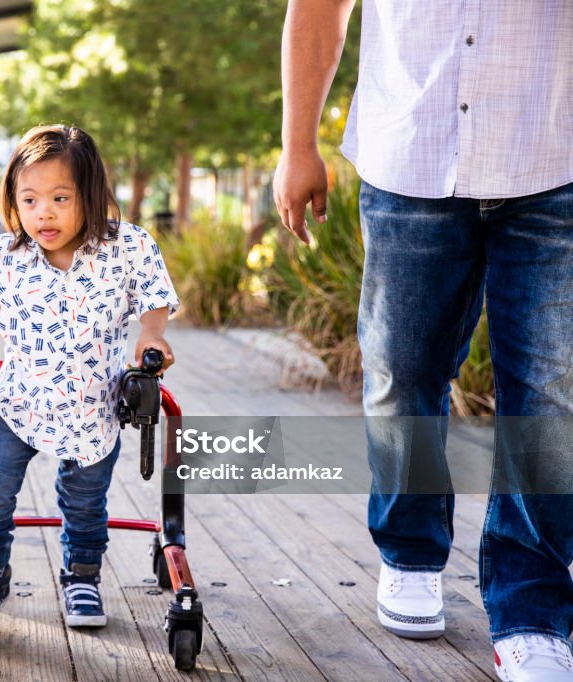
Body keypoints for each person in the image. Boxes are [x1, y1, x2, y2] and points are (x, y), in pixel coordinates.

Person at [273, 2, 573, 680]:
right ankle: (409, 550)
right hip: (409, 153)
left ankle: (531, 608)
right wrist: (298, 145)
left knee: (550, 397)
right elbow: (319, 10)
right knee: (400, 373)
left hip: (554, 156)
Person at [0, 124, 179, 638]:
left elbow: (154, 291)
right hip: (18, 407)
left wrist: (150, 336)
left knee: (85, 501)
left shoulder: (126, 247)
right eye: (30, 199)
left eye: (60, 197)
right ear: (14, 202)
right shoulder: (4, 258)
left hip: (94, 409)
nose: (43, 212)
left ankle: (81, 576)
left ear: (89, 195)